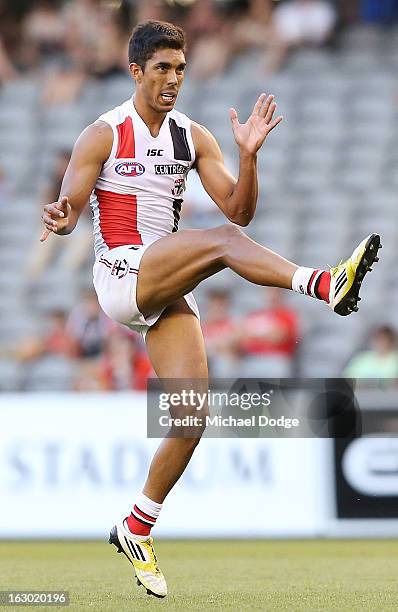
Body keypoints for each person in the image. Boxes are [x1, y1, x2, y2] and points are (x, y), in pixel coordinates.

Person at [40, 20, 381, 599]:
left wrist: (248, 158)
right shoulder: (103, 133)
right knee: (220, 243)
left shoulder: (194, 138)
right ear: (136, 72)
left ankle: (137, 525)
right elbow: (73, 198)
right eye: (162, 69)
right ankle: (323, 285)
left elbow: (241, 211)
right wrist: (63, 215)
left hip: (167, 280)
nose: (174, 79)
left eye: (180, 68)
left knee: (192, 416)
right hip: (123, 273)